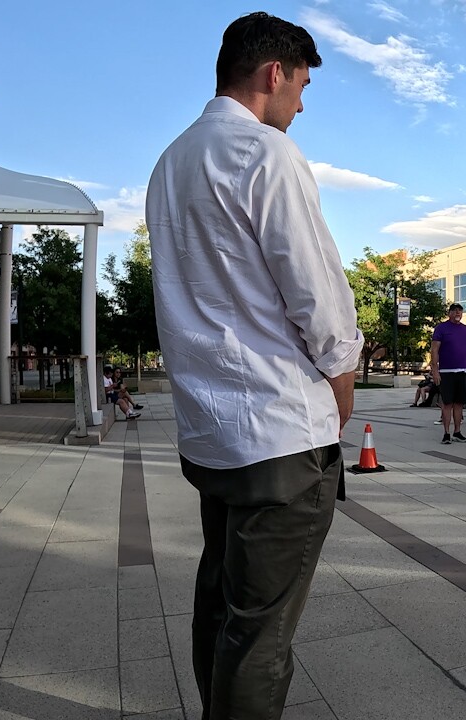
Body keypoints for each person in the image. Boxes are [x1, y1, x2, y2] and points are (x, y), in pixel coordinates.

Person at [145, 13, 363, 717]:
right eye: (301, 85)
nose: (302, 102)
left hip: (212, 435)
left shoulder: (170, 163)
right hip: (279, 431)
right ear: (274, 73)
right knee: (262, 632)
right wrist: (342, 380)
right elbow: (317, 290)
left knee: (222, 606)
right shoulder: (266, 154)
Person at [431, 303, 466, 444]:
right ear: (450, 313)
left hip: (463, 372)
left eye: (460, 311)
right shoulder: (441, 328)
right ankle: (446, 433)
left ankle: (457, 432)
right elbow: (434, 349)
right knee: (447, 403)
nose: (458, 313)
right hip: (446, 372)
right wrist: (435, 370)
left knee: (459, 403)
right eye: (455, 311)